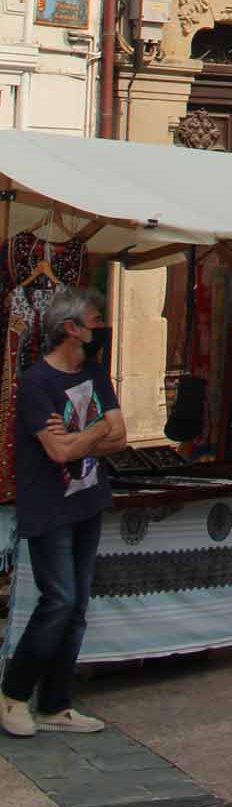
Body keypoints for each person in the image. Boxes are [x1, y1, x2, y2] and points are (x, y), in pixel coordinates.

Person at [0, 284, 126, 739]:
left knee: (76, 608)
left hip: (87, 499)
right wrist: (94, 430)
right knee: (60, 600)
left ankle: (54, 705)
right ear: (71, 328)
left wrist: (80, 436)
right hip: (49, 505)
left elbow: (121, 435)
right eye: (94, 320)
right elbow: (57, 452)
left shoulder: (94, 373)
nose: (101, 326)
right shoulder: (36, 383)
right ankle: (12, 695)